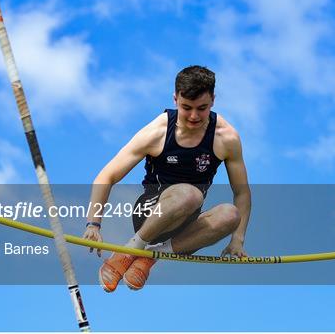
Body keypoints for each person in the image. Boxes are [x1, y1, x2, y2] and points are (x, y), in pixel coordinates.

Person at [83, 65, 251, 292]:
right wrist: (94, 223)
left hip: (186, 223)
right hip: (150, 212)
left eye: (202, 108)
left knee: (231, 215)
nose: (194, 116)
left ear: (213, 100)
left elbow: (242, 193)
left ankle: (151, 257)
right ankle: (128, 250)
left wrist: (237, 240)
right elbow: (107, 175)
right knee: (190, 194)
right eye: (186, 108)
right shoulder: (158, 131)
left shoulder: (226, 137)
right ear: (175, 99)